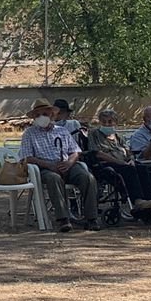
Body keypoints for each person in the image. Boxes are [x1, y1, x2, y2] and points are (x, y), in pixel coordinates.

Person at [19, 97, 97, 232]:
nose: (41, 117)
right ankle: (63, 219)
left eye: (44, 114)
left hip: (67, 164)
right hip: (45, 167)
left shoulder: (62, 131)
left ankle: (91, 218)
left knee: (87, 177)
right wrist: (49, 165)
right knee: (53, 178)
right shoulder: (29, 133)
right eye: (37, 115)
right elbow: (28, 157)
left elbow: (76, 151)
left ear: (52, 115)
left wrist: (69, 163)